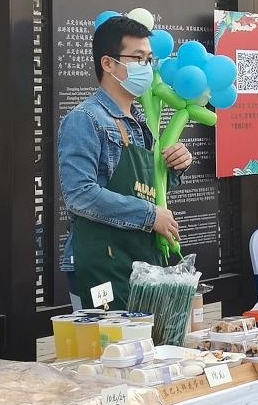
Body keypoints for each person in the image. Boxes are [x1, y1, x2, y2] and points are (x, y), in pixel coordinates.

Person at [58, 15, 193, 309]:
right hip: (100, 262)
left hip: (141, 258)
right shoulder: (85, 119)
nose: (147, 67)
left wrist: (174, 168)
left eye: (149, 60)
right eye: (138, 58)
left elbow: (144, 187)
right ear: (108, 64)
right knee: (107, 338)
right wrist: (150, 215)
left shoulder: (140, 122)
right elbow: (79, 194)